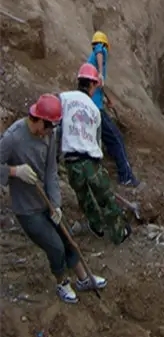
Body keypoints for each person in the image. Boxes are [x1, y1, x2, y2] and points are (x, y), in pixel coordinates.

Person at [0, 94, 107, 303]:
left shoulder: (49, 136)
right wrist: (14, 171)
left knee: (67, 238)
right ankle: (62, 282)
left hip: (46, 202)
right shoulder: (13, 137)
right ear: (37, 119)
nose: (49, 132)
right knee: (55, 246)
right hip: (27, 208)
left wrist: (56, 205)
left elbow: (51, 171)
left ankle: (84, 278)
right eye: (47, 127)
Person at [59, 63, 132, 245]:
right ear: (92, 85)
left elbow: (56, 121)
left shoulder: (64, 99)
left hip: (71, 161)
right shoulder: (94, 110)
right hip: (90, 161)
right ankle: (118, 232)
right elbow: (96, 139)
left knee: (84, 197)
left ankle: (96, 226)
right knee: (105, 197)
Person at [87, 31, 140, 187]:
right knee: (116, 138)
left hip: (93, 107)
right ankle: (126, 177)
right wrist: (101, 73)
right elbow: (99, 51)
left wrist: (109, 99)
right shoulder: (99, 52)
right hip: (96, 110)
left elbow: (98, 88)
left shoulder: (89, 69)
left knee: (109, 138)